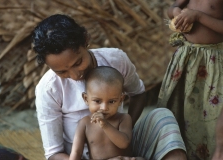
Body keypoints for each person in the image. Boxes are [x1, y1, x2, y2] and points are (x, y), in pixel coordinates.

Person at [32, 14, 187, 160]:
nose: (74, 75)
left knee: (162, 117)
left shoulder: (115, 60)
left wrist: (123, 136)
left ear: (86, 39)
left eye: (78, 63)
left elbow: (138, 93)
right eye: (61, 71)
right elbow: (54, 154)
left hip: (123, 144)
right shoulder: (48, 89)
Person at [157, 0, 223, 159]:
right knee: (182, 110)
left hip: (213, 63)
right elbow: (171, 8)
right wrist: (177, 14)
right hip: (187, 60)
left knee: (212, 115)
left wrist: (198, 17)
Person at [70, 66, 138, 160]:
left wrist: (105, 125)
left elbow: (124, 143)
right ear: (86, 99)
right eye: (97, 101)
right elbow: (76, 152)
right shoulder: (84, 123)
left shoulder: (124, 118)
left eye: (111, 101)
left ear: (120, 100)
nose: (104, 108)